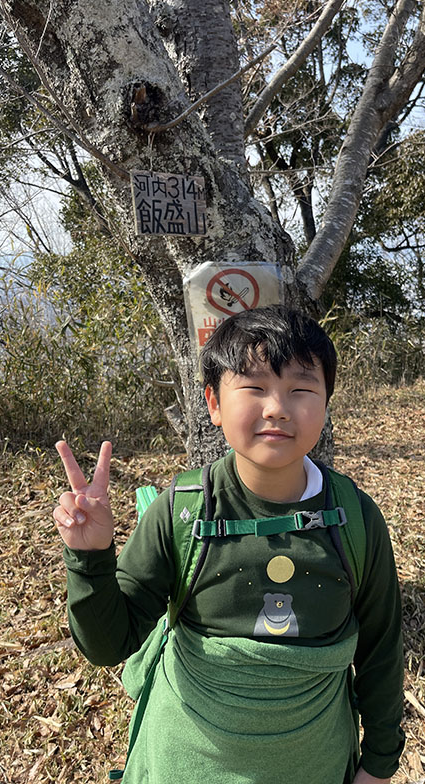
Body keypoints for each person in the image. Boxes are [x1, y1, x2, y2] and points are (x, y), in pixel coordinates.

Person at [54, 305, 405, 784]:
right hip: (186, 760)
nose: (277, 407)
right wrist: (91, 556)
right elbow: (110, 644)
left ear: (326, 405)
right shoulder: (183, 510)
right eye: (255, 387)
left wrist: (380, 763)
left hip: (311, 760)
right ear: (214, 404)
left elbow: (380, 648)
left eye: (301, 388)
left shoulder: (356, 518)